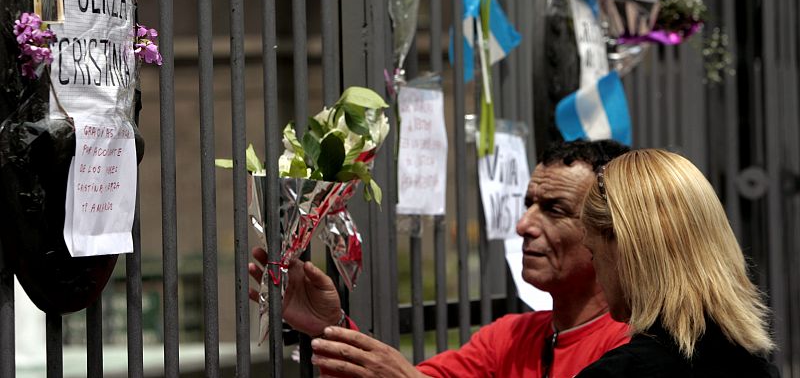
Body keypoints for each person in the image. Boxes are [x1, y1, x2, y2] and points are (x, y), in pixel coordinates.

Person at [249, 140, 631, 377]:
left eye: (555, 209)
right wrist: (329, 327)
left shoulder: (637, 347)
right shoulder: (511, 337)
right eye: (529, 204)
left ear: (608, 228)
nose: (523, 225)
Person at [578, 149, 779, 377]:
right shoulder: (759, 369)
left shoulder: (619, 372)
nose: (597, 275)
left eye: (593, 252)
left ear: (624, 247)